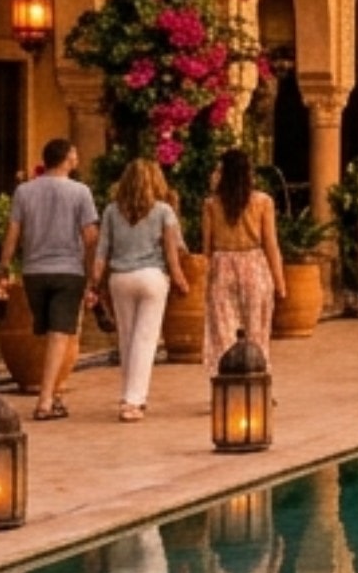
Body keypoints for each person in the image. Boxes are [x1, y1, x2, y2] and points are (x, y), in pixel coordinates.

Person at [0, 139, 97, 421]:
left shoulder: (24, 191)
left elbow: (13, 232)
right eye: (75, 152)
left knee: (48, 332)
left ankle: (49, 393)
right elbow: (90, 237)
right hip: (68, 271)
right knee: (59, 335)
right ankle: (45, 400)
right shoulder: (81, 192)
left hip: (34, 272)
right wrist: (92, 275)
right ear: (67, 158)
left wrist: (4, 267)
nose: (77, 157)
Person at [100, 159, 188, 423]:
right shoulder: (164, 211)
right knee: (145, 340)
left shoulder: (111, 211)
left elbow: (102, 250)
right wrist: (181, 280)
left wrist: (94, 281)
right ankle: (133, 400)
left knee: (127, 338)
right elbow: (175, 254)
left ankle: (130, 395)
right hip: (152, 277)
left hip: (120, 278)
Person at [202, 149, 286, 371]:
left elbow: (207, 247)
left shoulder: (211, 204)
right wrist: (279, 281)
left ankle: (224, 385)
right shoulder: (262, 202)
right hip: (254, 263)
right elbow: (271, 244)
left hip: (222, 265)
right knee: (258, 329)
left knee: (222, 329)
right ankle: (260, 380)